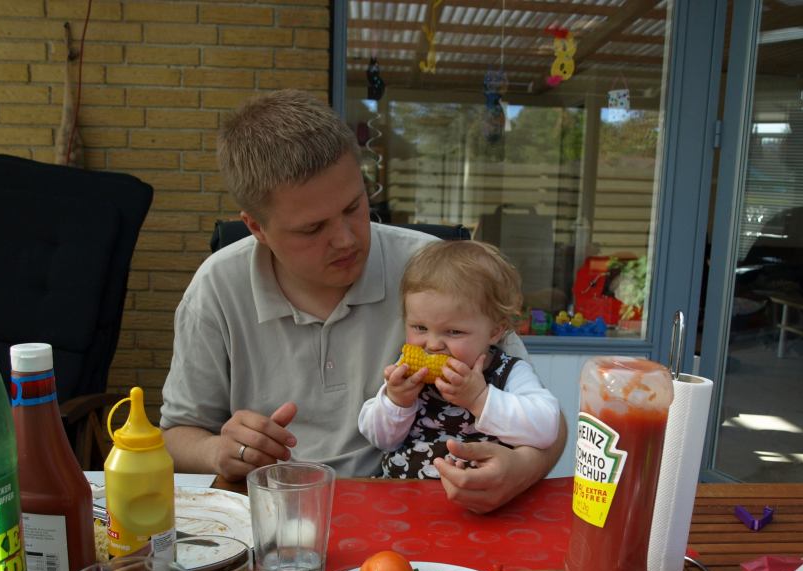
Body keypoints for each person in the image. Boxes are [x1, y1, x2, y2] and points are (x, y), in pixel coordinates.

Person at [159, 89, 566, 512]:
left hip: (413, 505)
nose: (346, 239)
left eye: (355, 207)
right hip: (275, 511)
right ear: (256, 228)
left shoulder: (437, 272)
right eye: (313, 228)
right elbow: (175, 435)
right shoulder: (217, 288)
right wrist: (218, 451)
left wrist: (520, 470)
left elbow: (549, 424)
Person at [359, 240, 559, 479]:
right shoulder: (405, 372)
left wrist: (480, 399)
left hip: (479, 491)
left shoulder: (509, 372)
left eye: (454, 332)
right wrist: (396, 402)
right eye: (420, 327)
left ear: (495, 331)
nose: (433, 345)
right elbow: (381, 440)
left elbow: (547, 428)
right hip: (403, 490)